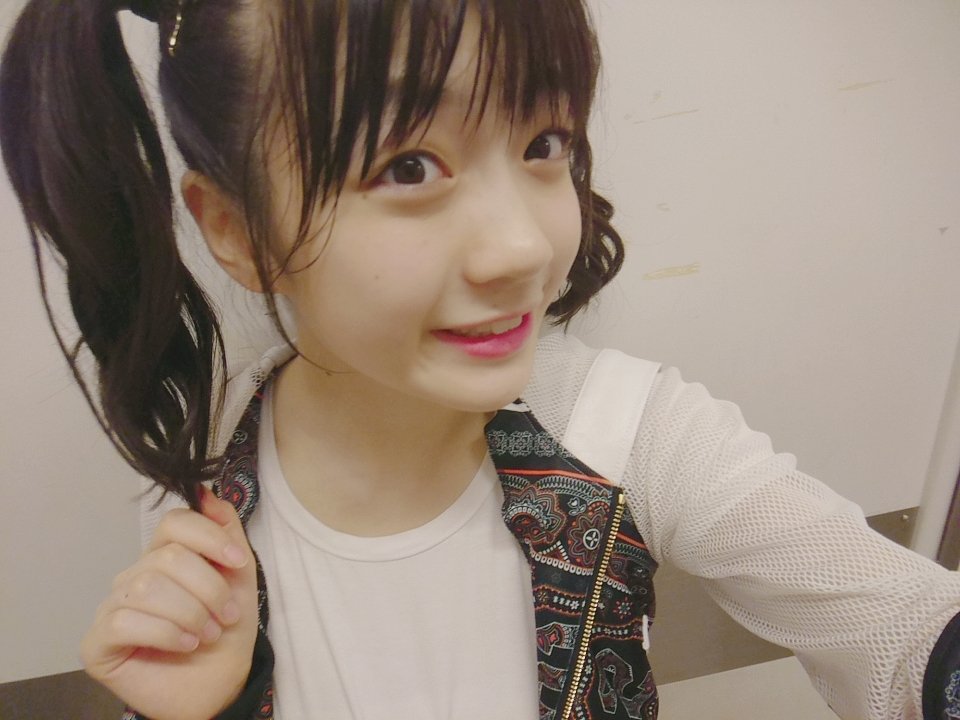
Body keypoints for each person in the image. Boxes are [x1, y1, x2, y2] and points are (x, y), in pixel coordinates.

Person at [1, 0, 958, 719]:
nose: (523, 249)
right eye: (408, 167)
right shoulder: (206, 474)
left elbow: (900, 626)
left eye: (544, 143)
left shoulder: (628, 435)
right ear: (236, 228)